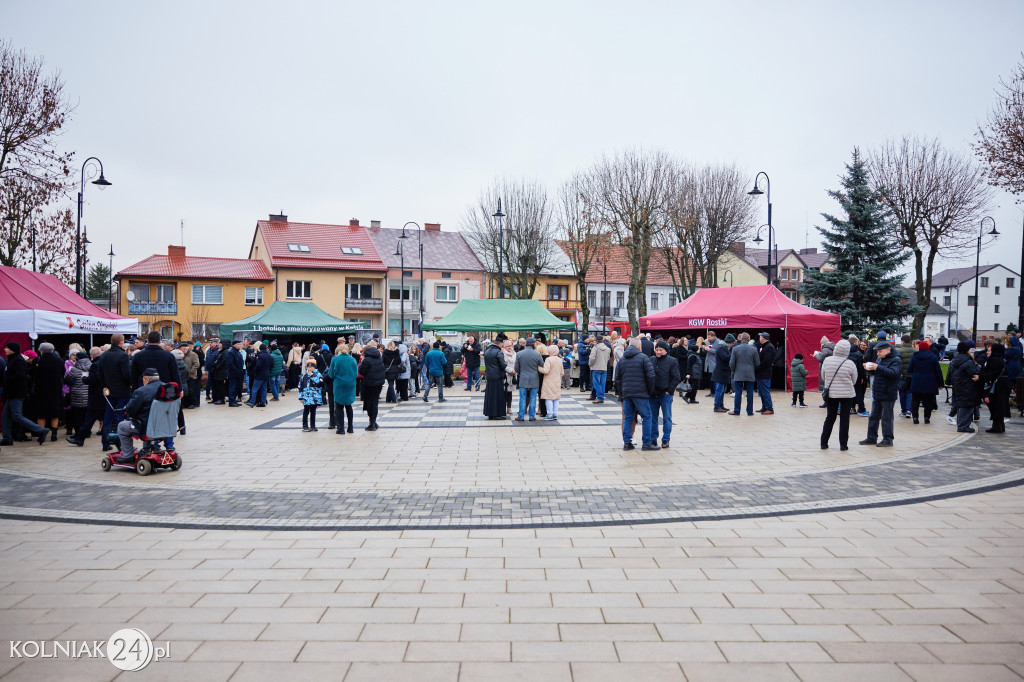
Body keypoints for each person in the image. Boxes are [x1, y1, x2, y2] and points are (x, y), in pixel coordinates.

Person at [114, 368, 169, 462]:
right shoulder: (168, 388)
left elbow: (131, 410)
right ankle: (147, 449)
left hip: (147, 427)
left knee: (122, 426)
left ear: (146, 379)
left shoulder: (141, 391)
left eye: (143, 379)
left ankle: (128, 455)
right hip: (166, 426)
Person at [1, 343, 48, 446]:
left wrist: (6, 379)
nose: (5, 349)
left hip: (16, 393)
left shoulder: (18, 360)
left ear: (13, 349)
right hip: (11, 393)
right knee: (6, 417)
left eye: (7, 348)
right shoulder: (13, 359)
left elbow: (20, 376)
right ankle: (7, 438)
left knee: (17, 416)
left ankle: (40, 430)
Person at [614, 338, 656, 450]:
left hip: (627, 394)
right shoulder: (644, 358)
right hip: (641, 393)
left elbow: (617, 378)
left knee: (628, 418)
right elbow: (651, 376)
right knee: (647, 417)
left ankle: (627, 442)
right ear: (639, 346)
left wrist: (622, 392)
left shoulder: (622, 359)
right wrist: (650, 391)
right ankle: (646, 443)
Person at [93, 333, 132, 451]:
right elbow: (126, 374)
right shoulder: (123, 355)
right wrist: (130, 384)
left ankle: (105, 442)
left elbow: (99, 374)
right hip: (122, 390)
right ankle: (121, 443)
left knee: (108, 416)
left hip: (109, 391)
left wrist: (105, 386)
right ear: (121, 342)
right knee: (121, 417)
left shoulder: (104, 355)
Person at [860, 340, 902, 447]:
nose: (878, 354)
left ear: (888, 350)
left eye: (880, 351)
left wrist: (877, 367)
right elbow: (879, 372)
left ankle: (888, 439)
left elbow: (894, 373)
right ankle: (871, 438)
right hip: (878, 392)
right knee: (873, 417)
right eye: (877, 352)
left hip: (888, 393)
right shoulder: (880, 359)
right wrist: (869, 368)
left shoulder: (896, 359)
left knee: (886, 418)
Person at [819, 340, 858, 450]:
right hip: (847, 394)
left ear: (835, 349)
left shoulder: (827, 360)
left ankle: (824, 443)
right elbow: (854, 380)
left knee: (830, 418)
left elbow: (823, 376)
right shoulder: (850, 363)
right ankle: (843, 445)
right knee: (845, 419)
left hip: (831, 393)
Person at [650, 341, 681, 448]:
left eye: (660, 350)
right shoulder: (651, 360)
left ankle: (666, 439)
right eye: (657, 350)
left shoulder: (672, 361)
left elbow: (676, 377)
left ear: (666, 351)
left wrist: (669, 390)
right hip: (653, 394)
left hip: (665, 394)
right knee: (653, 418)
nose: (658, 352)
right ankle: (653, 439)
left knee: (667, 418)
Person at [32, 343, 65, 442]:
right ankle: (54, 434)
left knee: (41, 413)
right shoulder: (59, 360)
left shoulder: (37, 360)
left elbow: (32, 374)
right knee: (55, 412)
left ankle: (41, 434)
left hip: (41, 390)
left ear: (41, 350)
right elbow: (63, 373)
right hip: (55, 389)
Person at [908, 340, 944, 424]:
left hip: (917, 381)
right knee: (928, 401)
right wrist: (940, 384)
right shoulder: (933, 357)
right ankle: (927, 418)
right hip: (929, 382)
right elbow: (938, 371)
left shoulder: (915, 356)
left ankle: (915, 418)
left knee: (915, 401)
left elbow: (909, 369)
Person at [949, 342, 981, 433]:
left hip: (958, 385)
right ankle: (963, 426)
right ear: (967, 350)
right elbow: (974, 373)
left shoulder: (955, 360)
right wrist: (979, 368)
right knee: (966, 406)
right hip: (968, 386)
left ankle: (961, 425)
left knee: (961, 405)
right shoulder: (968, 361)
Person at [979, 341, 1009, 433]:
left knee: (995, 406)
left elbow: (991, 374)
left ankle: (996, 427)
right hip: (1003, 384)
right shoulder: (1002, 359)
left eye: (989, 350)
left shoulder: (993, 360)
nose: (987, 352)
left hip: (997, 386)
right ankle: (1000, 426)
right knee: (1000, 406)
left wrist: (980, 377)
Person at [328, 343, 358, 434]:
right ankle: (350, 427)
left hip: (339, 384)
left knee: (339, 406)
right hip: (350, 384)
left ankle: (341, 428)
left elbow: (330, 374)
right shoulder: (353, 359)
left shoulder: (335, 359)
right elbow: (356, 374)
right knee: (349, 405)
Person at [63, 351, 92, 443]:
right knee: (87, 415)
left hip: (77, 395)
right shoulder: (92, 367)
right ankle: (87, 432)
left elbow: (66, 380)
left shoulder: (75, 369)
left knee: (77, 416)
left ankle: (79, 433)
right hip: (89, 395)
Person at [513, 338, 543, 421]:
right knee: (533, 397)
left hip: (523, 378)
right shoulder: (537, 354)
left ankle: (521, 416)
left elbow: (516, 368)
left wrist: (521, 373)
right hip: (534, 378)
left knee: (522, 398)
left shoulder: (519, 354)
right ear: (533, 344)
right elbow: (542, 364)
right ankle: (531, 416)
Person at [728, 333, 758, 416]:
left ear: (740, 339)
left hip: (738, 373)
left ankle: (736, 411)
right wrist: (752, 369)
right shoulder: (754, 349)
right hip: (750, 373)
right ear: (749, 340)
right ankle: (750, 411)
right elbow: (757, 363)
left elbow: (731, 363)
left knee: (738, 392)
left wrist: (734, 371)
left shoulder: (735, 349)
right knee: (750, 393)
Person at [358, 341, 386, 430]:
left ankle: (372, 423)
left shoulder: (366, 360)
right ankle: (373, 422)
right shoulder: (379, 358)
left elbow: (361, 371)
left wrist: (362, 361)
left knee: (370, 403)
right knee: (375, 402)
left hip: (369, 384)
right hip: (378, 384)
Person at [537, 343, 564, 421]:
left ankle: (549, 414)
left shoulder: (548, 359)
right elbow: (562, 372)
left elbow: (546, 370)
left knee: (548, 398)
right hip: (557, 381)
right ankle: (555, 414)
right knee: (556, 398)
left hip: (548, 381)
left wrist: (539, 368)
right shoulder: (559, 359)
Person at [482, 340, 508, 420]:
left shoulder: (487, 351)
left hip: (490, 376)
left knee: (490, 396)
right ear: (500, 344)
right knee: (498, 396)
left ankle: (490, 413)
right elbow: (503, 365)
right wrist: (506, 363)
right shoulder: (498, 352)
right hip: (497, 377)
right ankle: (497, 414)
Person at [298, 359, 324, 432]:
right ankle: (305, 425)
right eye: (308, 367)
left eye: (311, 367)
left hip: (314, 397)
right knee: (306, 411)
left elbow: (320, 384)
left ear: (314, 367)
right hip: (306, 397)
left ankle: (313, 425)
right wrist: (300, 397)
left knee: (313, 411)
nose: (310, 368)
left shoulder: (318, 375)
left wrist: (312, 376)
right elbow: (300, 386)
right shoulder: (304, 376)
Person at [755, 332, 776, 414]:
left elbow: (766, 361)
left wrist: (757, 367)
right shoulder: (764, 346)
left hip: (764, 373)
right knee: (762, 391)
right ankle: (764, 407)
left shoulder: (769, 347)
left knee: (765, 391)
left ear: (763, 338)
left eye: (760, 337)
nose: (759, 338)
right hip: (761, 373)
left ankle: (769, 408)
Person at [896, 334, 916, 417]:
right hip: (913, 375)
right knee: (910, 392)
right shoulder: (915, 351)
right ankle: (909, 410)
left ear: (902, 341)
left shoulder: (899, 351)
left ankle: (903, 410)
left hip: (903, 375)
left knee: (902, 393)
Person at [712, 334, 733, 413]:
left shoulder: (723, 347)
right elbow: (725, 358)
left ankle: (721, 405)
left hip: (723, 371)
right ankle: (717, 406)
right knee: (719, 390)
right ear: (729, 342)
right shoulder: (721, 347)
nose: (732, 345)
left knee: (722, 390)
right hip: (720, 372)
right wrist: (732, 354)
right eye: (732, 343)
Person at [246, 343, 271, 407]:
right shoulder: (270, 356)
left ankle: (252, 402)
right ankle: (263, 402)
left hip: (259, 374)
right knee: (264, 389)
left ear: (260, 348)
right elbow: (272, 365)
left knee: (255, 388)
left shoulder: (260, 356)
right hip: (266, 374)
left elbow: (258, 365)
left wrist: (255, 371)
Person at [814, 336, 836, 408]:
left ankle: (826, 402)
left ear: (823, 343)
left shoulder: (825, 349)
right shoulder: (832, 347)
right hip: (832, 369)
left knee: (825, 386)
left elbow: (820, 359)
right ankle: (829, 402)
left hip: (826, 369)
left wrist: (816, 354)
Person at [589, 335, 611, 404]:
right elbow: (608, 358)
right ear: (602, 340)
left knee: (596, 383)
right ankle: (593, 395)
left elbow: (592, 358)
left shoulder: (595, 348)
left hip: (596, 367)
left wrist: (590, 364)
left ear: (596, 341)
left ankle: (600, 398)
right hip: (604, 367)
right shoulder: (607, 349)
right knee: (602, 384)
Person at [225, 339, 245, 407]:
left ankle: (234, 400)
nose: (240, 345)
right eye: (239, 344)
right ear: (235, 345)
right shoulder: (231, 352)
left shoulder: (237, 352)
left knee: (236, 387)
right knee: (232, 387)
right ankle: (231, 402)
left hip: (238, 373)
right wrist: (237, 370)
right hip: (233, 373)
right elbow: (230, 364)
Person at [182, 343, 201, 408]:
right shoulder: (182, 355)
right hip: (184, 376)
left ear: (185, 349)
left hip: (192, 375)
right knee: (186, 390)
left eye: (182, 349)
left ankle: (193, 403)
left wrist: (191, 371)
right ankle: (186, 403)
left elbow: (197, 364)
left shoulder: (193, 354)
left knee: (191, 390)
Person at [502, 339, 516, 414]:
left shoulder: (514, 353)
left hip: (513, 375)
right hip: (506, 375)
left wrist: (515, 371)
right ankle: (503, 407)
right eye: (508, 346)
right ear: (504, 347)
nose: (509, 347)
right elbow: (502, 365)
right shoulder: (502, 354)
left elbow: (516, 363)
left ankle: (509, 407)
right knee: (504, 392)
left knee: (510, 393)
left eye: (510, 346)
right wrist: (510, 371)